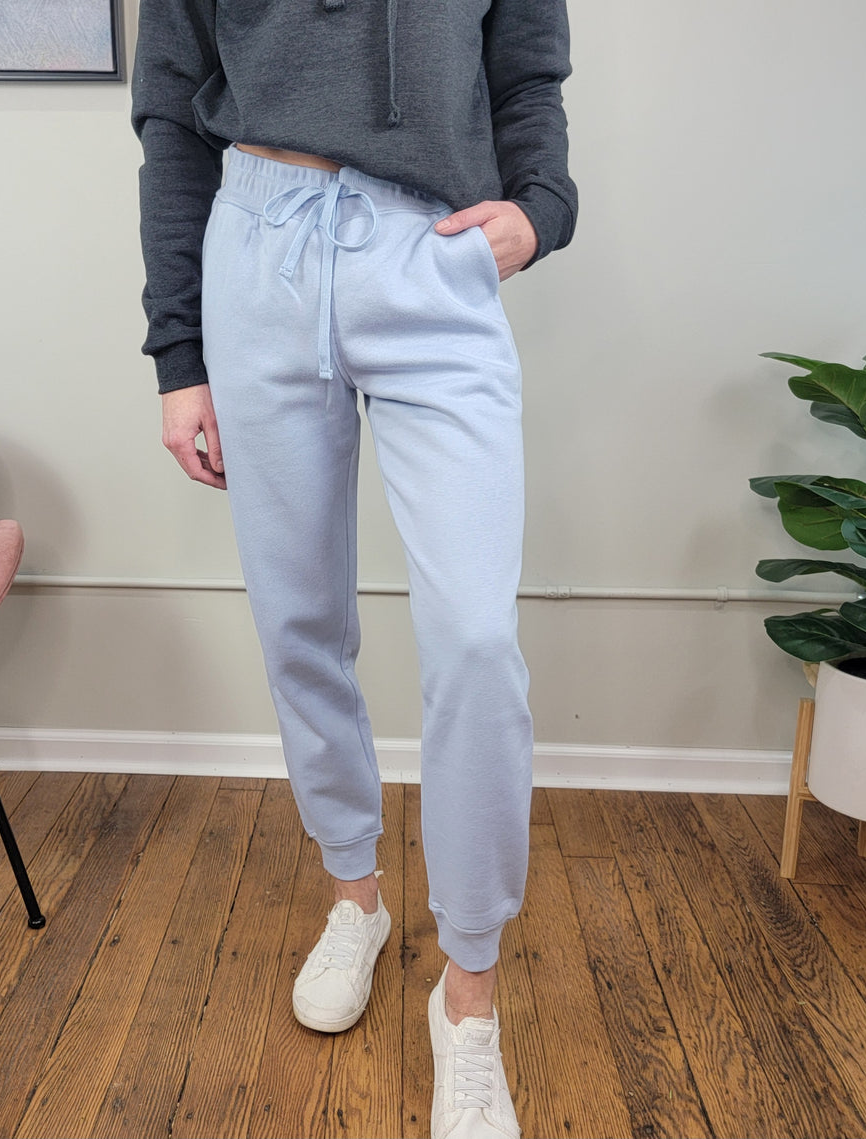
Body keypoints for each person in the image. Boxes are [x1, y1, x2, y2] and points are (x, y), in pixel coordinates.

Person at [132, 3, 576, 1136]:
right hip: (258, 249)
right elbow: (172, 114)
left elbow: (527, 72)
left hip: (433, 255)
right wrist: (180, 355)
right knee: (299, 620)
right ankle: (355, 895)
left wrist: (541, 209)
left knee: (476, 640)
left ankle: (469, 993)